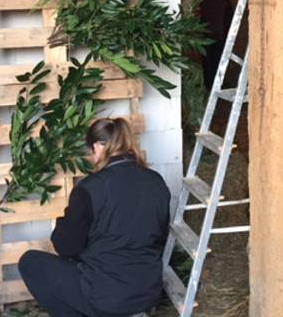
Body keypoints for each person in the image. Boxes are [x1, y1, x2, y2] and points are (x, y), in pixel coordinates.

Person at [19, 118, 172, 317]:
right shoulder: (156, 181)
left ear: (97, 147)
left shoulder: (89, 188)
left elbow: (66, 248)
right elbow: (160, 237)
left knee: (30, 262)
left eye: (91, 152)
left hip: (105, 296)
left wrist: (62, 225)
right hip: (148, 291)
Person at [200, 0, 233, 87]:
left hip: (206, 36)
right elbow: (229, 20)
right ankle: (218, 83)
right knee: (218, 61)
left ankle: (209, 84)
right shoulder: (224, 2)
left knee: (208, 62)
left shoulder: (203, 2)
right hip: (220, 36)